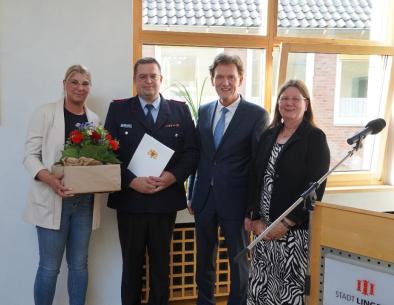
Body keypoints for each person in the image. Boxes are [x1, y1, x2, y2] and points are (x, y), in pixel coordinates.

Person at [104, 57, 199, 305]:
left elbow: (191, 153)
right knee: (131, 266)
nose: (148, 81)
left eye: (153, 76)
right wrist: (131, 181)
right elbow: (106, 154)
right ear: (135, 80)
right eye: (142, 76)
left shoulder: (179, 110)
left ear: (161, 79)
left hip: (163, 201)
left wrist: (172, 177)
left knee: (160, 267)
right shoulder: (119, 110)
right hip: (130, 202)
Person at [188, 54, 269, 305]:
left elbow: (259, 166)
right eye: (220, 77)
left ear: (240, 79)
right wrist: (191, 193)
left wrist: (252, 210)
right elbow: (198, 155)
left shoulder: (256, 115)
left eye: (231, 77)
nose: (225, 82)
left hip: (237, 203)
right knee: (204, 259)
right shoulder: (203, 111)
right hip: (204, 199)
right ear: (212, 79)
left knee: (238, 262)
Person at [23, 65, 104, 305]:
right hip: (53, 200)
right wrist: (49, 179)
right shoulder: (45, 113)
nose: (80, 87)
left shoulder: (94, 119)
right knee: (49, 268)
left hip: (84, 202)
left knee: (79, 266)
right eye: (74, 82)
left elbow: (94, 157)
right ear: (64, 84)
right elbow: (29, 156)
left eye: (85, 83)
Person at [245, 79, 330, 305]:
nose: (289, 103)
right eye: (284, 99)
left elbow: (316, 188)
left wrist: (286, 223)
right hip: (263, 229)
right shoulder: (268, 135)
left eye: (295, 99)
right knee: (261, 287)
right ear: (278, 104)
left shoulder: (315, 138)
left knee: (286, 292)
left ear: (306, 104)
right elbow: (256, 178)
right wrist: (252, 217)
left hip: (293, 233)